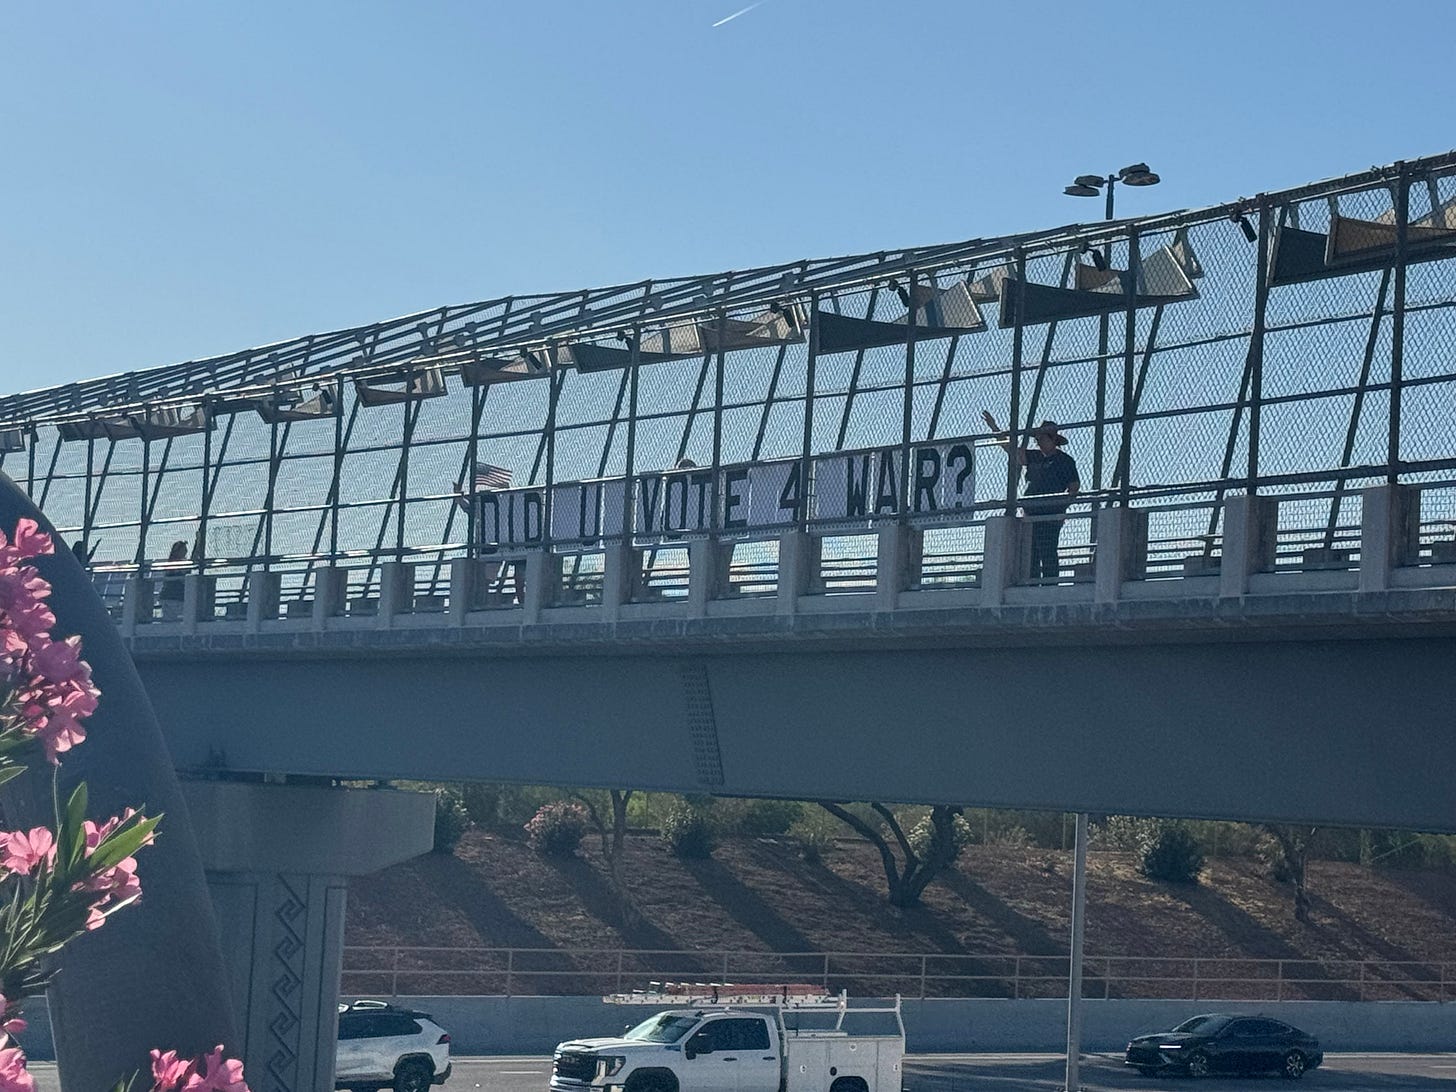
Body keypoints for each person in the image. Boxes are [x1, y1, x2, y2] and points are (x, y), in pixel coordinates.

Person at [981, 411, 1081, 581]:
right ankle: (1032, 584)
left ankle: (1050, 585)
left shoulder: (1064, 461)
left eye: (1041, 438)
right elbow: (1011, 449)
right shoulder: (1034, 456)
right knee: (1030, 554)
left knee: (1048, 551)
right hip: (1030, 513)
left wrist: (1061, 508)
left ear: (1052, 439)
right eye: (1037, 438)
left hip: (1050, 515)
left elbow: (1074, 488)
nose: (1038, 441)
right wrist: (994, 428)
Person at [157, 540, 188, 618]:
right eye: (183, 550)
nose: (185, 552)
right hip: (171, 597)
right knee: (170, 620)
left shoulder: (181, 563)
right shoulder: (174, 563)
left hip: (177, 597)